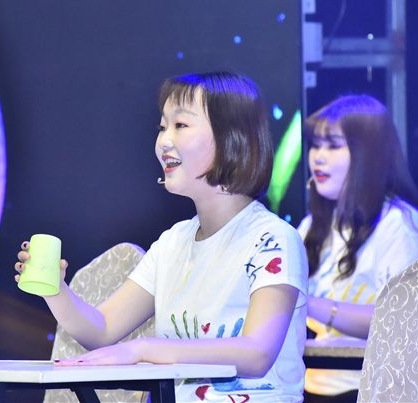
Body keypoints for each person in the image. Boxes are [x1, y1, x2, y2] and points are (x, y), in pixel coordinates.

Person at [15, 72, 309, 402]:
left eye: (180, 125)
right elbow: (102, 328)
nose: (163, 141)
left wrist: (144, 349)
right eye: (162, 127)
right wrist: (55, 290)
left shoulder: (273, 239)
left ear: (232, 138)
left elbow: (257, 353)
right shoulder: (173, 242)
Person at [300, 95, 418, 403]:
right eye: (316, 145)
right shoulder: (312, 226)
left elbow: (407, 321)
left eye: (333, 145)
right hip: (311, 387)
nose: (318, 157)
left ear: (367, 155)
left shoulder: (401, 226)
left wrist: (306, 303)